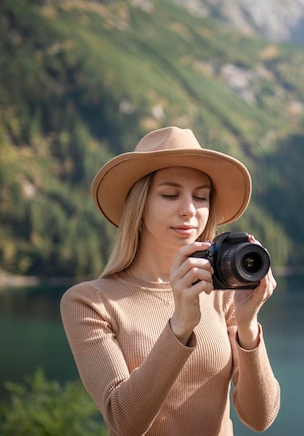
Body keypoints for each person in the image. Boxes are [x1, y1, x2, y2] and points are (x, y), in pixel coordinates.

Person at [60, 126, 281, 435]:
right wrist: (180, 325)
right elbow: (124, 421)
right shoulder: (89, 302)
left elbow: (260, 418)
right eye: (170, 194)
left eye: (201, 197)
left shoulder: (222, 293)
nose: (189, 210)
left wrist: (248, 326)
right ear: (139, 205)